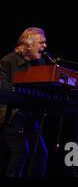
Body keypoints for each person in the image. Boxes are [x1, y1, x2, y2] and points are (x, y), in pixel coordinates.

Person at [0, 27, 49, 176]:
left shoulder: (40, 62)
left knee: (41, 154)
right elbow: (2, 87)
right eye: (42, 42)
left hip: (29, 117)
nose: (45, 46)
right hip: (10, 117)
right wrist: (24, 93)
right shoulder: (7, 61)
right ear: (29, 44)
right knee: (21, 152)